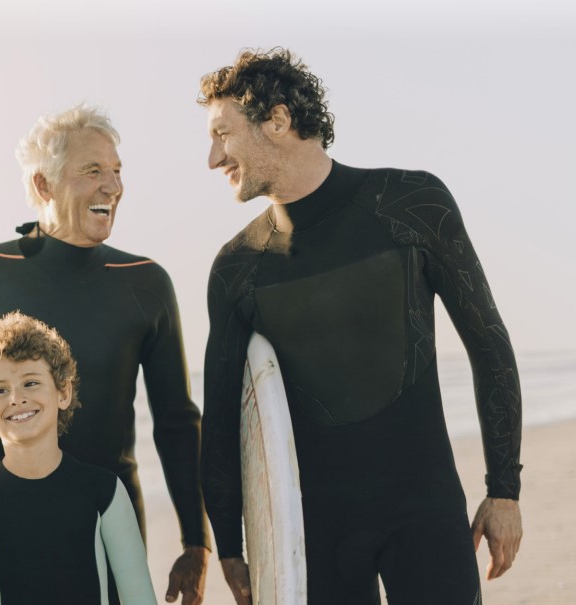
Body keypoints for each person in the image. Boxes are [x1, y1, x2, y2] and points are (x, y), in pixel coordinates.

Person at [198, 48, 523, 604]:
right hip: (316, 538)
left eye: (222, 134)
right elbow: (224, 416)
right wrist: (232, 548)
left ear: (276, 121)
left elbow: (487, 341)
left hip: (426, 517)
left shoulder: (410, 203)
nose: (211, 158)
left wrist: (504, 491)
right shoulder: (239, 267)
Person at [0, 105, 210, 605]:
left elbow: (175, 421)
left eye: (117, 171)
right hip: (7, 528)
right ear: (44, 185)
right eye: (93, 171)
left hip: (110, 522)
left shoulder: (145, 283)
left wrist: (196, 541)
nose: (113, 186)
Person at [0, 312, 157, 604]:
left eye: (31, 383)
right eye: (1, 389)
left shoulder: (104, 493)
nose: (16, 398)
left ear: (63, 393)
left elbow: (140, 599)